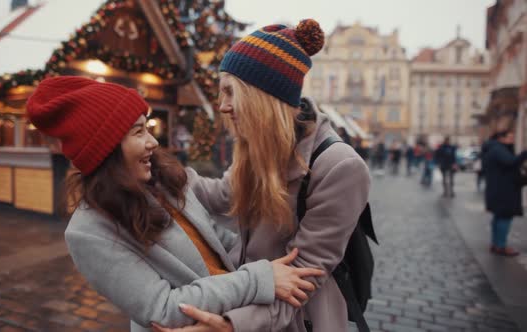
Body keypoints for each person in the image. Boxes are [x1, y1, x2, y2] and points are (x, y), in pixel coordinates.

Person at [25, 76, 324, 331]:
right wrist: (260, 278)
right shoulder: (88, 232)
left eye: (148, 128)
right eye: (138, 132)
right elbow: (163, 308)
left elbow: (217, 243)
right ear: (106, 150)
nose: (153, 142)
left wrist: (278, 253)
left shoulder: (161, 184)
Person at [157, 19, 371, 332]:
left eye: (230, 92)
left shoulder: (340, 167)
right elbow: (220, 196)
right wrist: (159, 169)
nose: (223, 106)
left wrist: (230, 325)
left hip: (295, 320)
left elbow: (303, 277)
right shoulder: (258, 146)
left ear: (261, 95)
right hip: (250, 298)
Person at [482, 130, 527, 257]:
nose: (512, 140)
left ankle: (496, 244)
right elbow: (511, 163)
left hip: (500, 189)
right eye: (510, 137)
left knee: (499, 217)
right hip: (503, 191)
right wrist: (525, 153)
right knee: (504, 218)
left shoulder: (495, 149)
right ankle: (501, 246)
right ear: (501, 138)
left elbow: (508, 169)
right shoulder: (498, 149)